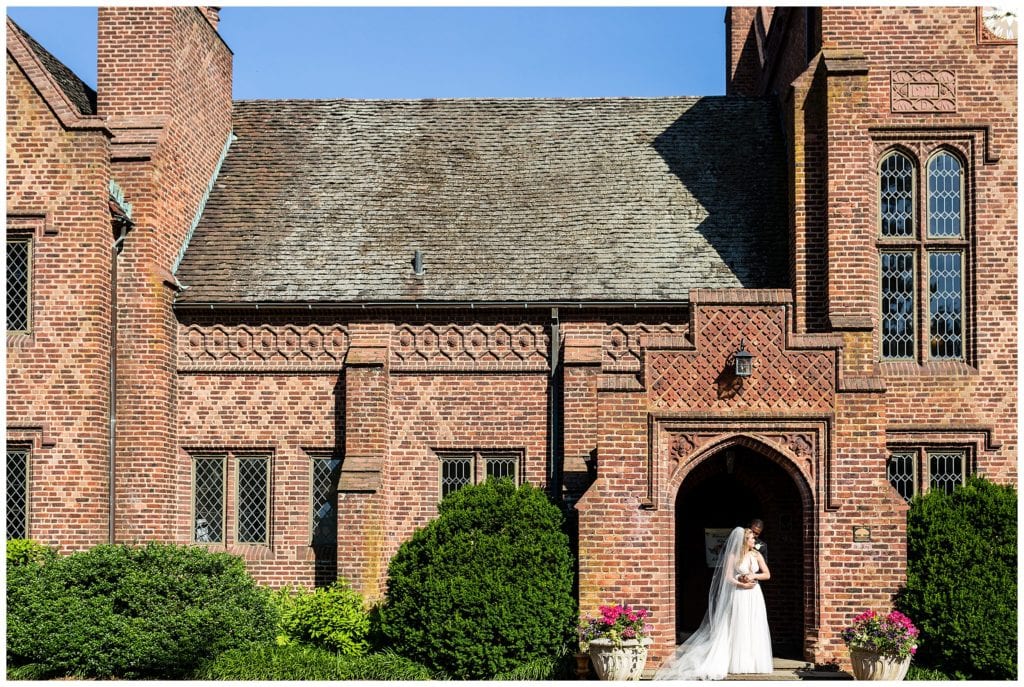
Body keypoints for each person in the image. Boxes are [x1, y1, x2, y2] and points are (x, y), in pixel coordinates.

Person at [656, 526, 773, 680]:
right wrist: (741, 583)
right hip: (739, 594)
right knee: (739, 624)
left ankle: (753, 662)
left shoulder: (757, 555)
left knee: (753, 624)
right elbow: (727, 577)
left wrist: (753, 575)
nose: (754, 540)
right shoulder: (733, 555)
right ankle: (737, 662)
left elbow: (767, 574)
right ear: (744, 541)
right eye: (752, 538)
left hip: (754, 594)